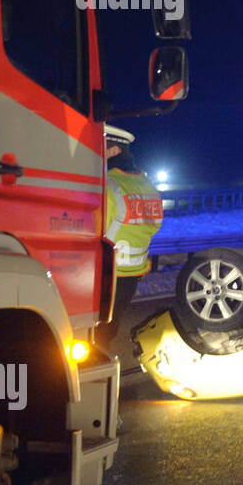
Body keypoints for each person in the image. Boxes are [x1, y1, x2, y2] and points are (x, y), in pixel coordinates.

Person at [100, 124, 164, 346]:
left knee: (93, 333)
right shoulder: (147, 183)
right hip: (134, 272)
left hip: (108, 272)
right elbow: (155, 223)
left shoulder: (110, 184)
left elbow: (94, 228)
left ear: (115, 151)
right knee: (109, 329)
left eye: (102, 148)